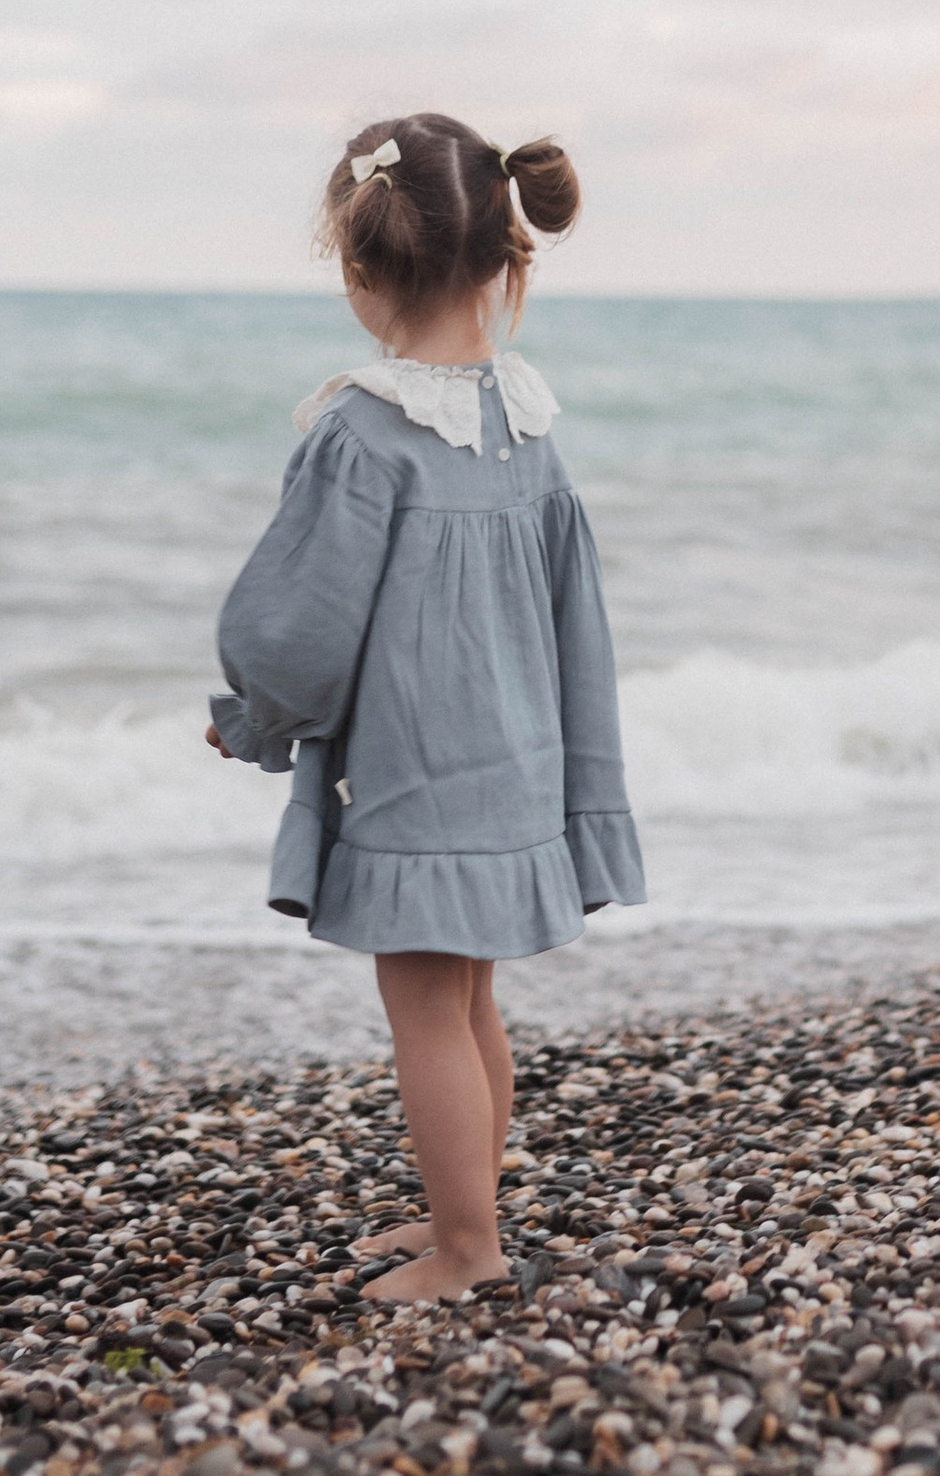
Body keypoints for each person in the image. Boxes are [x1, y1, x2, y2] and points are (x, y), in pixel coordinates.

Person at [205, 112, 645, 1303]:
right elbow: (573, 612)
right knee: (471, 998)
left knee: (425, 1013)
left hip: (417, 773)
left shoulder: (364, 433)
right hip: (515, 763)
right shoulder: (523, 422)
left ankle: (467, 1250)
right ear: (508, 260)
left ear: (358, 271)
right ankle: (467, 1211)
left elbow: (299, 624)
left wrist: (254, 716)